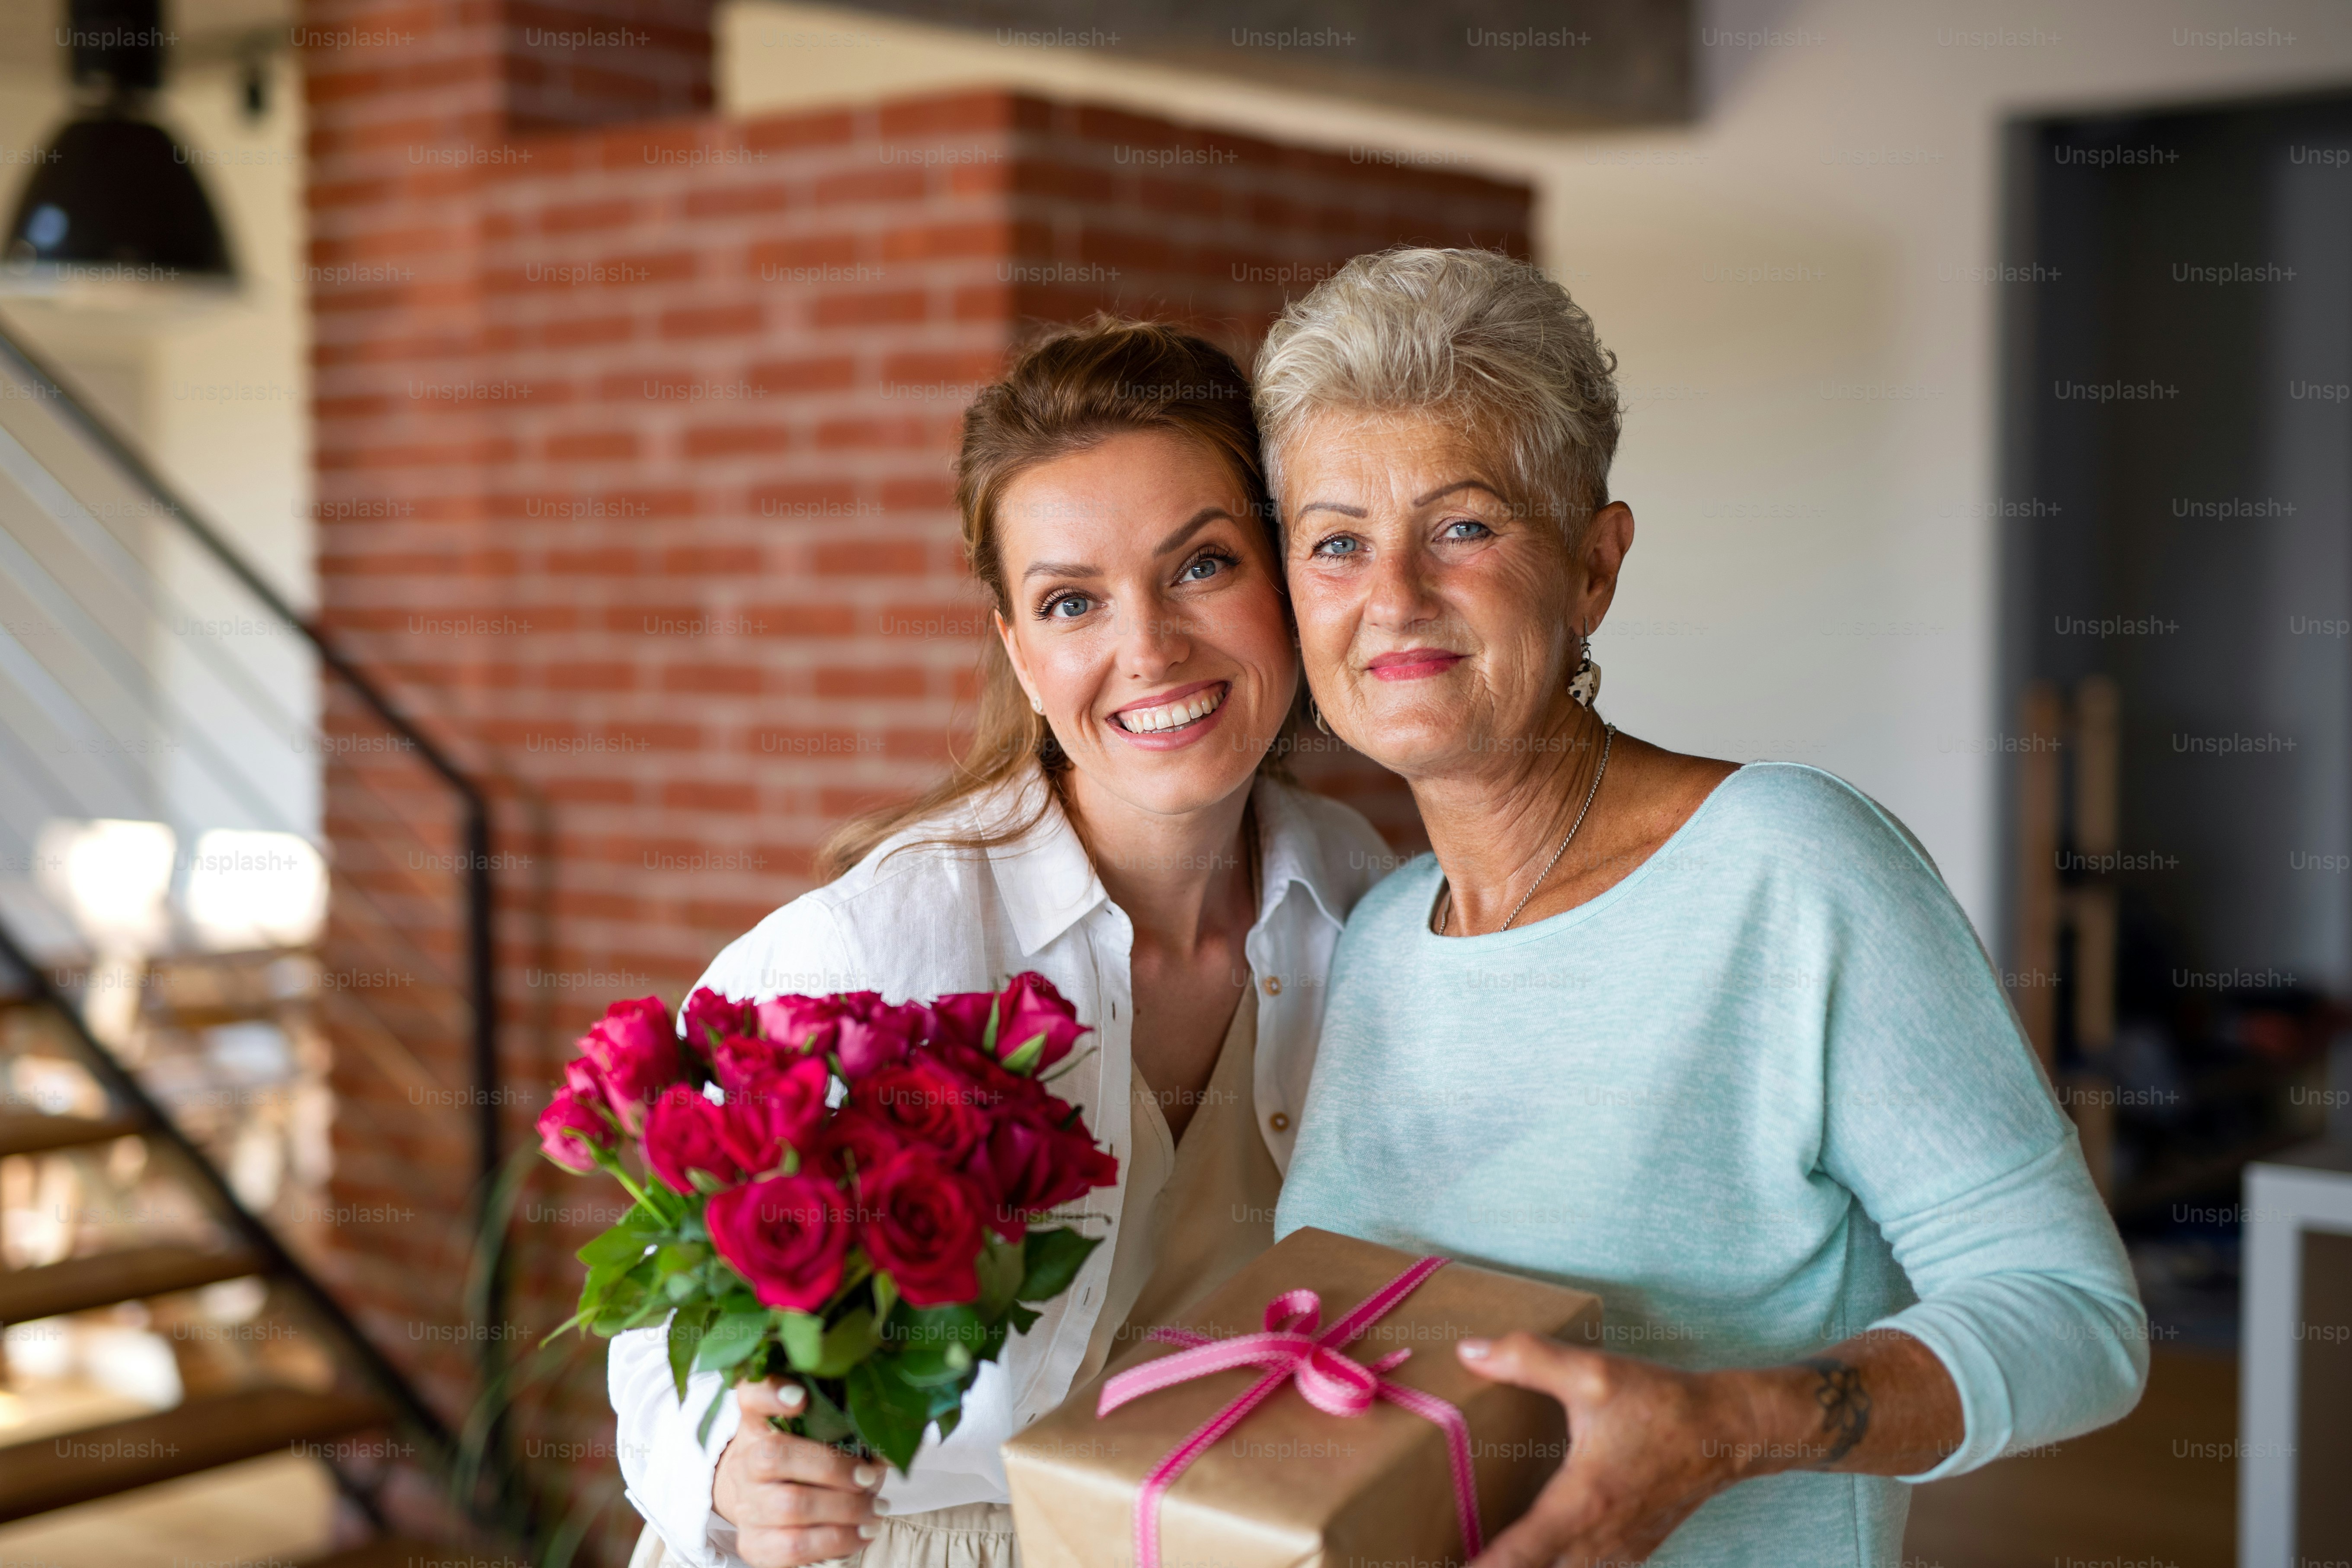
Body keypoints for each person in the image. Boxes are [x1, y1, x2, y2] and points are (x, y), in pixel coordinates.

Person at [1258, 249, 2149, 1568]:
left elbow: (2077, 1318)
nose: (1392, 593)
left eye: (1464, 525)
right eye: (1336, 541)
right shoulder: (1378, 933)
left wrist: (1727, 1427)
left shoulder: (1793, 867)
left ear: (1594, 568)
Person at [609, 319, 1390, 1568]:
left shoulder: (1371, 898)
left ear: (1288, 577)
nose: (1149, 647)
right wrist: (728, 1471)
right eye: (1073, 600)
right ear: (1023, 653)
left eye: (1201, 565)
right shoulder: (871, 950)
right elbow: (663, 1324)